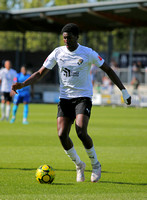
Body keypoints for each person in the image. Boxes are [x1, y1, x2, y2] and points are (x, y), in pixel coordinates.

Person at [12, 23, 131, 183]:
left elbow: (108, 70)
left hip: (83, 97)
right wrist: (22, 84)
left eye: (69, 37)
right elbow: (40, 73)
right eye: (64, 38)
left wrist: (124, 91)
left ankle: (95, 164)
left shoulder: (88, 53)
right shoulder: (58, 52)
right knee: (62, 134)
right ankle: (79, 164)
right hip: (65, 99)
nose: (66, 40)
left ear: (77, 37)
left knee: (81, 131)